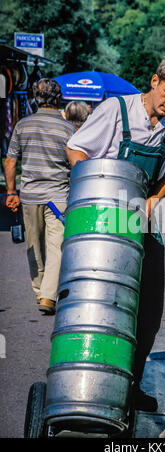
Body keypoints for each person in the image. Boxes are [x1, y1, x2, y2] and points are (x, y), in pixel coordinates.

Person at [66, 53, 165, 411]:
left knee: (150, 309)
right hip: (101, 221)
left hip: (140, 222)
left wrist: (148, 206)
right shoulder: (115, 110)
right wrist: (96, 191)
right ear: (155, 81)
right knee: (97, 305)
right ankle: (85, 381)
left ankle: (129, 384)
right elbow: (75, 149)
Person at [5, 78, 76, 315]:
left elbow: (11, 161)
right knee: (57, 246)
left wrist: (11, 191)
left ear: (36, 99)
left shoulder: (22, 125)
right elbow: (75, 164)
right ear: (58, 99)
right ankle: (48, 295)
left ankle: (40, 290)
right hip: (58, 196)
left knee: (34, 245)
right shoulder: (68, 129)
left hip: (31, 195)